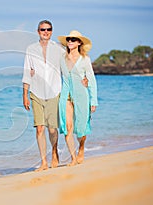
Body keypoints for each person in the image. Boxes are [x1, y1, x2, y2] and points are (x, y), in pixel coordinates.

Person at [22, 20, 64, 171]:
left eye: (48, 29)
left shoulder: (59, 49)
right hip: (36, 92)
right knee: (40, 128)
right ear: (37, 31)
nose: (45, 32)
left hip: (54, 91)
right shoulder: (31, 49)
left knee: (52, 129)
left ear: (51, 31)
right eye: (42, 29)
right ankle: (44, 162)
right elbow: (27, 71)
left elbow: (68, 68)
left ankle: (54, 151)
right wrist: (25, 94)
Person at [57, 30, 98, 166]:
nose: (70, 41)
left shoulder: (85, 59)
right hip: (66, 95)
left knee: (82, 128)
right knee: (67, 126)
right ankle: (73, 158)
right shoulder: (62, 58)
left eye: (73, 39)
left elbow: (91, 79)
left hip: (82, 95)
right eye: (68, 39)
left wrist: (94, 101)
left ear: (79, 42)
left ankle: (81, 147)